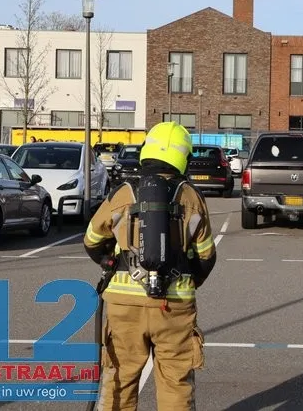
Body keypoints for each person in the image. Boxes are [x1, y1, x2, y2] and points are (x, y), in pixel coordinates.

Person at [83, 121, 217, 411]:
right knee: (176, 383)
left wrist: (110, 260)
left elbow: (92, 239)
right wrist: (186, 280)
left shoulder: (123, 193)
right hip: (174, 307)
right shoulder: (191, 197)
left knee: (119, 379)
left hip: (124, 306)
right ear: (183, 157)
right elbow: (206, 256)